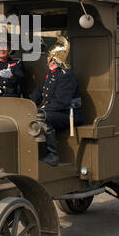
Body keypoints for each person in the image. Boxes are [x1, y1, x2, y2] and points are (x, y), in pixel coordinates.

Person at [31, 36, 84, 166]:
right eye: (50, 58)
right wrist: (29, 105)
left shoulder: (66, 76)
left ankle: (53, 155)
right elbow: (38, 94)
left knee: (43, 117)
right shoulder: (50, 76)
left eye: (54, 59)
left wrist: (42, 110)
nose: (51, 61)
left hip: (70, 114)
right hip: (56, 112)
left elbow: (62, 101)